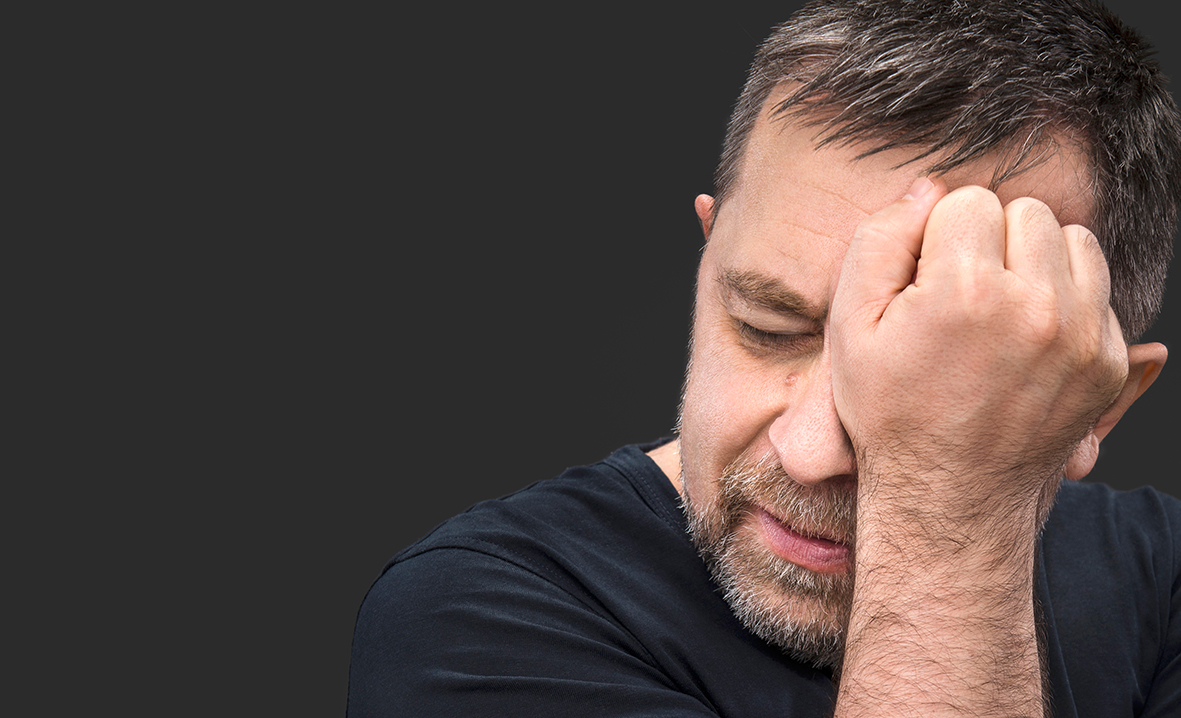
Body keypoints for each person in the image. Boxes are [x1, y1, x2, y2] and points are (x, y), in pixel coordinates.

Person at [348, 1, 1181, 715]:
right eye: (768, 327)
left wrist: (948, 510)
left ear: (1101, 404)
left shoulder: (1165, 582)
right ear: (709, 259)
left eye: (949, 361)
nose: (811, 451)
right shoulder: (479, 618)